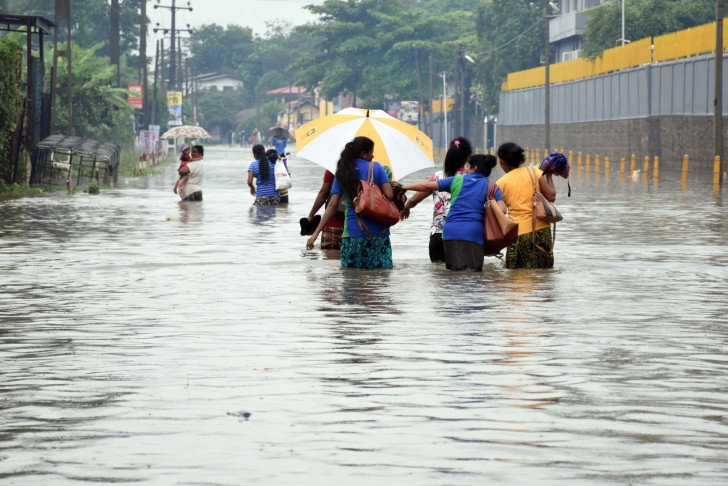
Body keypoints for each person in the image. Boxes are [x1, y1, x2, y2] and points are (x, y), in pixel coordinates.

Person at [402, 154, 506, 272]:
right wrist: (490, 203)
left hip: (450, 232)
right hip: (473, 233)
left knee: (452, 273)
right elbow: (502, 210)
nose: (466, 170)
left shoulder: (457, 180)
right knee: (473, 274)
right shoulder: (492, 186)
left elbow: (426, 186)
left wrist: (404, 187)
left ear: (475, 167)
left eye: (468, 166)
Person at [306, 136, 395, 269]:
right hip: (378, 232)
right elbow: (389, 195)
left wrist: (315, 233)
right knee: (378, 278)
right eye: (371, 152)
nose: (373, 156)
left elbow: (332, 205)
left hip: (352, 232)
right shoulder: (377, 167)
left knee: (351, 278)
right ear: (363, 153)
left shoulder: (342, 172)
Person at [400, 137, 472, 263]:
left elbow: (414, 200)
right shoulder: (471, 179)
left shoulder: (437, 177)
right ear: (467, 158)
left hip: (438, 235)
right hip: (462, 234)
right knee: (463, 272)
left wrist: (406, 208)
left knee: (438, 273)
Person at [496, 142, 557, 269]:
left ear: (502, 162)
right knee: (543, 273)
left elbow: (500, 211)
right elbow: (551, 196)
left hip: (518, 234)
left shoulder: (501, 183)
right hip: (541, 230)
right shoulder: (533, 172)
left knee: (517, 275)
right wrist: (549, 175)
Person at [305, 170, 345, 250]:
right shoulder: (368, 168)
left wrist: (311, 215)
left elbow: (324, 193)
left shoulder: (334, 168)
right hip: (358, 226)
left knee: (331, 256)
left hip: (333, 224)